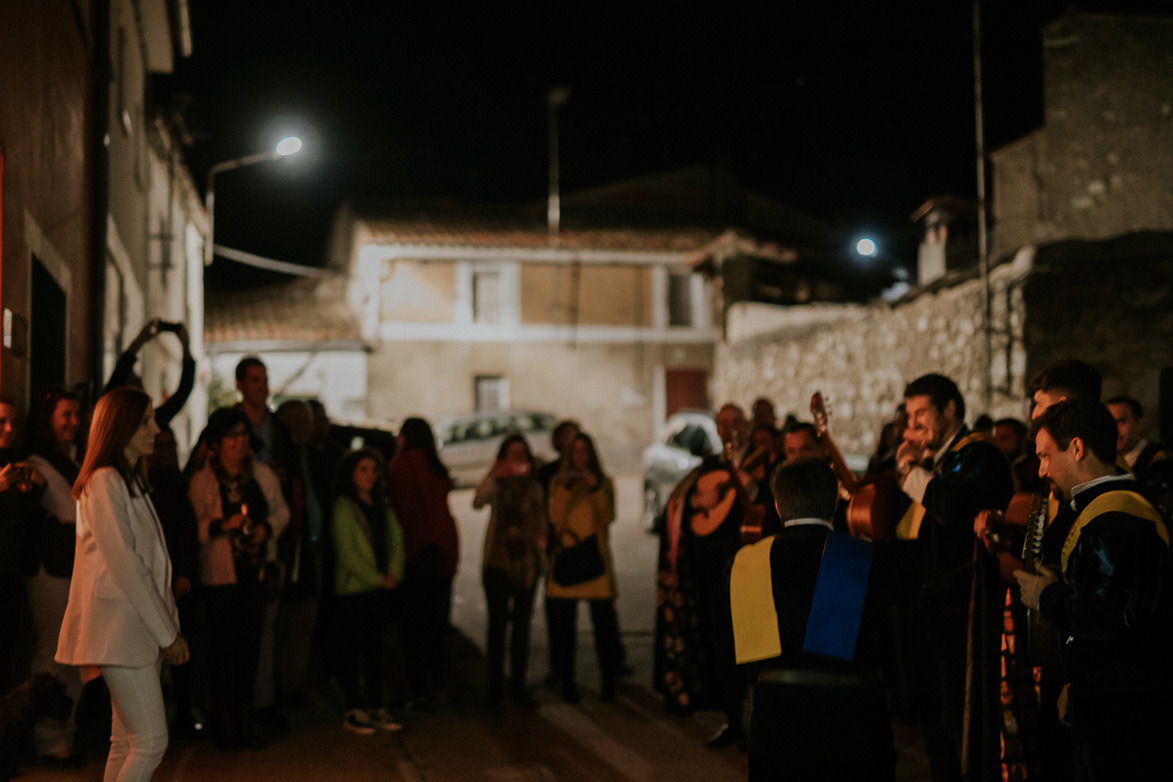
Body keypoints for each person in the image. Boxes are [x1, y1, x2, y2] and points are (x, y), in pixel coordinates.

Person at [1014, 399, 1172, 779]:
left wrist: (1045, 597)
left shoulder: (1113, 518)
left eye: (1046, 456)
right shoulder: (1102, 508)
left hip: (1122, 707)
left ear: (1078, 448)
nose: (1041, 469)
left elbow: (1112, 619)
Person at [730, 457, 894, 781]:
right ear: (834, 501)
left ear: (778, 505)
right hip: (852, 718)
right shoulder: (861, 558)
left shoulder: (746, 562)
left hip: (776, 718)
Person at [55, 387, 190, 782]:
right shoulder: (104, 481)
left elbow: (147, 563)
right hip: (120, 631)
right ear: (122, 426)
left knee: (128, 742)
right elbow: (126, 566)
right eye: (146, 420)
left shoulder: (125, 480)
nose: (157, 429)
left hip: (130, 631)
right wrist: (168, 634)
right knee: (150, 742)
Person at [895, 373, 1013, 781]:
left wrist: (912, 468)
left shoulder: (978, 454)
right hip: (931, 606)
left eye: (921, 413)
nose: (913, 426)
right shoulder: (940, 460)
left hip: (962, 606)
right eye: (908, 416)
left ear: (950, 409)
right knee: (933, 714)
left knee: (957, 715)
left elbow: (954, 510)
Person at [189, 408, 289, 750]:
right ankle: (223, 724)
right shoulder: (203, 480)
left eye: (243, 436)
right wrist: (221, 526)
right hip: (221, 578)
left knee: (249, 649)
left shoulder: (260, 474)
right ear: (216, 444)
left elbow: (282, 510)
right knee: (222, 651)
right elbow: (194, 528)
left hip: (253, 572)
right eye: (232, 437)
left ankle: (245, 722)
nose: (240, 443)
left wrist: (267, 528)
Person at [654, 453, 747, 747]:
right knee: (721, 650)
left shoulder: (747, 473)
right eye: (723, 422)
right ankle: (734, 721)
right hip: (710, 578)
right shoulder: (709, 470)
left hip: (743, 571)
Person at [23, 387, 85, 763]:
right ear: (48, 419)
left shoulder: (71, 459)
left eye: (77, 415)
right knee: (53, 653)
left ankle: (65, 733)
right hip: (50, 568)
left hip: (74, 568)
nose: (74, 422)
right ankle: (46, 739)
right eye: (67, 415)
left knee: (76, 654)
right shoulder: (38, 463)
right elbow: (73, 511)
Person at [386, 417, 460, 710]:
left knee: (413, 626)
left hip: (418, 552)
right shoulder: (435, 466)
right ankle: (437, 680)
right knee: (436, 623)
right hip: (445, 550)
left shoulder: (403, 466)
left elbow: (403, 513)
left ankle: (420, 689)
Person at [331, 447, 405, 734]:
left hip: (378, 590)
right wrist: (378, 578)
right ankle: (354, 707)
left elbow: (397, 541)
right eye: (363, 470)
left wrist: (395, 573)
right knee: (352, 651)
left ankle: (376, 705)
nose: (370, 476)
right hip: (354, 592)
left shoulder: (382, 506)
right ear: (351, 474)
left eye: (373, 470)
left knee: (375, 650)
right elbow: (347, 554)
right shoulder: (343, 508)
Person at [546, 432, 620, 703]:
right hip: (567, 560)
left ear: (591, 454)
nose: (579, 457)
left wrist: (595, 488)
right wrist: (564, 489)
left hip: (594, 562)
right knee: (565, 630)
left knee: (604, 628)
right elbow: (554, 518)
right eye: (575, 452)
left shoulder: (604, 482)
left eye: (584, 451)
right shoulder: (558, 482)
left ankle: (608, 681)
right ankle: (567, 683)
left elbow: (608, 516)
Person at [473, 434, 546, 708]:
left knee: (522, 627)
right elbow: (477, 502)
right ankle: (494, 686)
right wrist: (494, 472)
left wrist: (541, 541)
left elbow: (542, 522)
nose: (517, 460)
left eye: (521, 454)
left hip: (526, 565)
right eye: (511, 454)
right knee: (497, 626)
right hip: (497, 562)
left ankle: (518, 685)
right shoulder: (497, 484)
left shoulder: (535, 487)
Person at [0, 399, 45, 690]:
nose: (9, 429)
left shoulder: (14, 461)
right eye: (1, 421)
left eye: (14, 422)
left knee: (6, 659)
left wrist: (38, 487)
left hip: (10, 575)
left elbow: (19, 520)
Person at [101, 318, 196, 429]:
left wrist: (141, 340)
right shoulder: (112, 417)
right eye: (137, 386)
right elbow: (183, 392)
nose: (143, 389)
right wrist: (186, 347)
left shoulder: (149, 420)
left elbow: (183, 392)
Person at [1106, 395, 1172, 508]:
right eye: (1109, 423)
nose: (1114, 429)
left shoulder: (1159, 459)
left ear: (1139, 423)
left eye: (1121, 421)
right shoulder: (1108, 460)